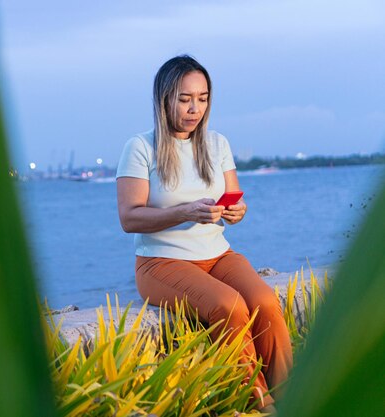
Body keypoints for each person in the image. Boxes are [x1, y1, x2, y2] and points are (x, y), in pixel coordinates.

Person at [115, 55, 292, 414]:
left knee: (267, 303)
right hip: (161, 262)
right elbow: (129, 218)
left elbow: (236, 202)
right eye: (185, 99)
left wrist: (236, 211)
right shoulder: (139, 147)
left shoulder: (217, 143)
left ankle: (295, 395)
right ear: (164, 99)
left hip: (217, 254)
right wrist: (183, 212)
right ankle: (259, 402)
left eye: (203, 97)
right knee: (228, 306)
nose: (195, 108)